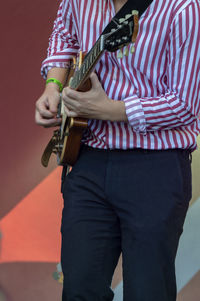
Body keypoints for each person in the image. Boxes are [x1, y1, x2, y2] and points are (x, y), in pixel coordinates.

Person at [35, 0, 200, 300]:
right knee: (79, 290)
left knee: (148, 291)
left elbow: (185, 106)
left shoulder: (182, 8)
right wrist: (52, 86)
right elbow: (65, 34)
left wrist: (110, 109)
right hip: (89, 161)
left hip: (156, 167)